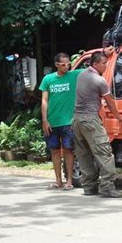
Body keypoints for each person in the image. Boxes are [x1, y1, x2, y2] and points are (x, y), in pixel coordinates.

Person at [72, 51, 122, 198]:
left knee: (84, 154)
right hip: (90, 120)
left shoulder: (81, 75)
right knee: (104, 153)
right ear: (95, 64)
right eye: (103, 63)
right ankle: (107, 187)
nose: (106, 66)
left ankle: (88, 186)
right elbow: (110, 101)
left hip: (77, 120)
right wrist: (118, 117)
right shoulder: (99, 80)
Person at [39, 52, 83, 190]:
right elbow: (44, 101)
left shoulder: (74, 75)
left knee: (69, 151)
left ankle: (69, 181)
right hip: (52, 122)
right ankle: (58, 180)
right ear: (57, 65)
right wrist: (45, 120)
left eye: (68, 63)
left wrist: (106, 52)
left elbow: (93, 67)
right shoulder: (48, 79)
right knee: (55, 151)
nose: (67, 66)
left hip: (68, 122)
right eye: (63, 64)